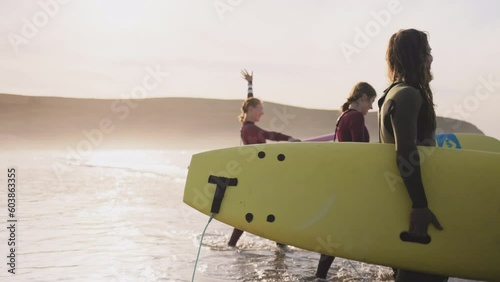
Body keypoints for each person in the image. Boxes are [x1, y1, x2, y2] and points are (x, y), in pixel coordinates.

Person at [379, 29, 447, 282]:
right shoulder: (407, 94)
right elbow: (405, 152)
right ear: (415, 56)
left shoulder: (390, 94)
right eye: (427, 52)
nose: (430, 59)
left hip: (404, 203)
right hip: (418, 204)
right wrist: (420, 206)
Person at [228, 69, 300, 247]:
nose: (263, 112)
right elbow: (270, 134)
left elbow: (249, 102)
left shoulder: (247, 122)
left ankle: (232, 245)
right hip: (257, 176)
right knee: (272, 207)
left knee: (258, 208)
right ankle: (280, 244)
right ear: (252, 110)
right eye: (261, 109)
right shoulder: (250, 129)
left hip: (255, 175)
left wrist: (250, 83)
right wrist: (289, 139)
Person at [314, 82, 377, 279]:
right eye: (371, 102)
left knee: (338, 228)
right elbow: (359, 151)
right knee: (363, 223)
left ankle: (320, 275)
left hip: (344, 180)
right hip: (353, 181)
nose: (371, 108)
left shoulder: (343, 116)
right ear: (363, 97)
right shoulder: (356, 116)